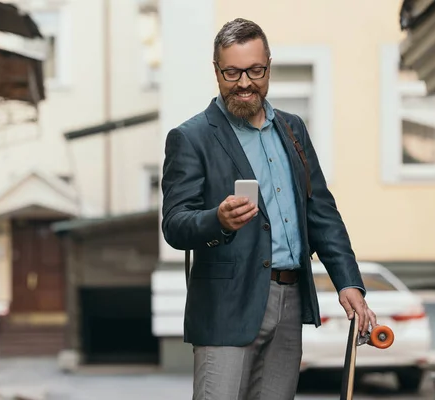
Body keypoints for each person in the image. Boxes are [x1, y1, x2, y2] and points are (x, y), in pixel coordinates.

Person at [160, 18, 379, 400]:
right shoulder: (191, 138)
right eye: (232, 72)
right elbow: (175, 224)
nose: (244, 82)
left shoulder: (293, 129)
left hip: (290, 300)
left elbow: (322, 213)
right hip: (225, 308)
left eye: (255, 70)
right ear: (216, 71)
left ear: (268, 67)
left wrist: (349, 282)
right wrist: (218, 220)